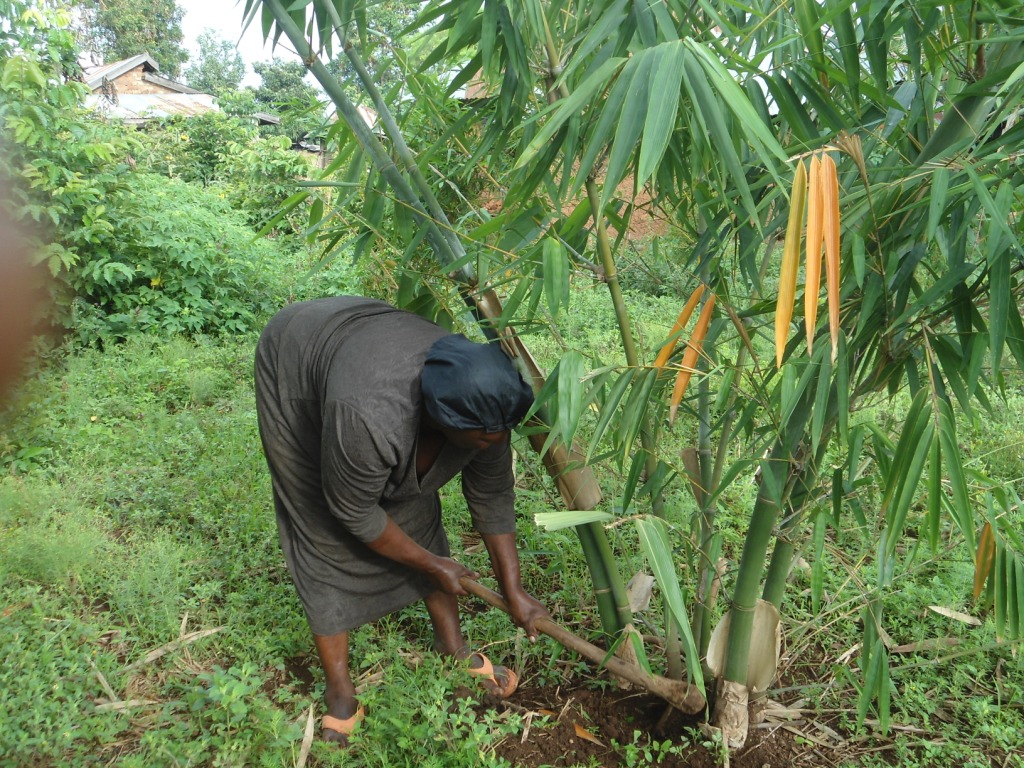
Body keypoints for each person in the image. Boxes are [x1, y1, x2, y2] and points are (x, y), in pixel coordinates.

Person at [254, 296, 550, 744]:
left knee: (415, 508)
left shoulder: (488, 407)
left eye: (498, 437)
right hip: (297, 358)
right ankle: (340, 693)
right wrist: (433, 566)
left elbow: (492, 493)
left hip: (365, 342)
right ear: (442, 419)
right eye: (482, 439)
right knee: (321, 523)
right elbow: (352, 510)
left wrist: (514, 590)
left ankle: (453, 649)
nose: (492, 444)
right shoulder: (368, 415)